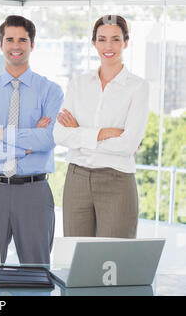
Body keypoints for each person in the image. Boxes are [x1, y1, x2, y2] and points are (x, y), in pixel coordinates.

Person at [0, 15, 63, 264]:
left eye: (23, 39)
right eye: (9, 39)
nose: (16, 45)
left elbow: (50, 139)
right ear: (1, 44)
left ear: (32, 45)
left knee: (37, 270)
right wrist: (28, 146)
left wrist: (1, 135)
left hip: (34, 192)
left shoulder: (51, 91)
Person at [53, 15, 149, 238]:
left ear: (125, 42)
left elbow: (128, 145)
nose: (108, 46)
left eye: (115, 39)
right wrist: (104, 133)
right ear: (94, 43)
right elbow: (59, 134)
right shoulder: (78, 84)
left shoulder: (138, 87)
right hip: (76, 179)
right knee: (75, 256)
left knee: (113, 257)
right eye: (102, 39)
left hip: (117, 180)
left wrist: (81, 135)